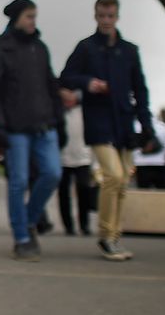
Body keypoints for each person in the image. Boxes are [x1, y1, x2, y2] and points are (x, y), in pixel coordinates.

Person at [59, 0, 158, 260]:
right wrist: (88, 82)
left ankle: (115, 235)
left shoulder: (129, 51)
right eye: (102, 16)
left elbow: (141, 90)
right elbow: (65, 77)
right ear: (95, 16)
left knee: (123, 181)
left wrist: (146, 125)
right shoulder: (86, 48)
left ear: (117, 16)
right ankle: (105, 235)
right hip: (99, 120)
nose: (105, 20)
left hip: (124, 122)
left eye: (110, 16)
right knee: (113, 176)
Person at [0, 0, 63, 261]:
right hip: (15, 126)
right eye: (29, 16)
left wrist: (58, 117)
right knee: (17, 181)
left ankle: (28, 219)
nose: (33, 22)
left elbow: (50, 85)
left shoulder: (39, 48)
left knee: (52, 173)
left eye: (34, 16)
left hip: (44, 123)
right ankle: (22, 237)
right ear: (16, 18)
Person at [56, 90, 94, 237]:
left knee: (84, 190)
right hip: (62, 158)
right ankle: (68, 226)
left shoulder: (85, 111)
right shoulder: (58, 113)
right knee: (63, 194)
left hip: (83, 158)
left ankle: (84, 225)